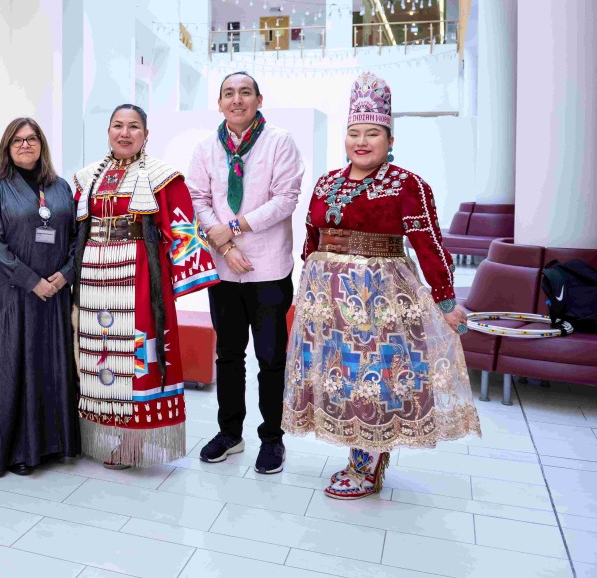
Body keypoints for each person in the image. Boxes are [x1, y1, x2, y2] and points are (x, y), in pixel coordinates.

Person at [283, 71, 481, 499]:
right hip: (328, 303)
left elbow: (429, 245)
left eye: (372, 133)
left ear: (390, 140)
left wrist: (446, 301)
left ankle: (366, 469)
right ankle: (361, 459)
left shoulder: (408, 185)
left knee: (371, 380)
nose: (361, 141)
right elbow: (311, 240)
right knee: (341, 379)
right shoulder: (327, 182)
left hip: (378, 301)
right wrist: (305, 292)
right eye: (354, 132)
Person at [71, 104, 220, 469]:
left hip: (138, 276)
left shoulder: (163, 176)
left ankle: (132, 439)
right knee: (97, 351)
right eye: (117, 126)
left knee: (134, 351)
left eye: (133, 127)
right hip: (93, 275)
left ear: (146, 134)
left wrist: (173, 279)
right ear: (108, 131)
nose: (124, 133)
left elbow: (182, 225)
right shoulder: (87, 177)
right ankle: (102, 426)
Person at [186, 71, 304, 474]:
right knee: (229, 355)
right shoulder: (206, 148)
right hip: (223, 268)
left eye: (245, 93)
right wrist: (224, 245)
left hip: (268, 267)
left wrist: (234, 229)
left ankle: (272, 438)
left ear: (258, 99)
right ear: (219, 103)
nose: (237, 100)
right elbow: (198, 198)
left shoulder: (279, 142)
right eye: (228, 94)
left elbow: (285, 199)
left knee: (271, 359)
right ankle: (229, 433)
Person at [0, 118, 80, 478]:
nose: (25, 145)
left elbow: (79, 236)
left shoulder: (61, 187)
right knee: (14, 365)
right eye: (17, 140)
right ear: (7, 147)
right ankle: (18, 449)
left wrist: (65, 275)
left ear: (41, 144)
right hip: (15, 294)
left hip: (55, 295)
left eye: (32, 138)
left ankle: (54, 444)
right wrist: (32, 281)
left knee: (52, 365)